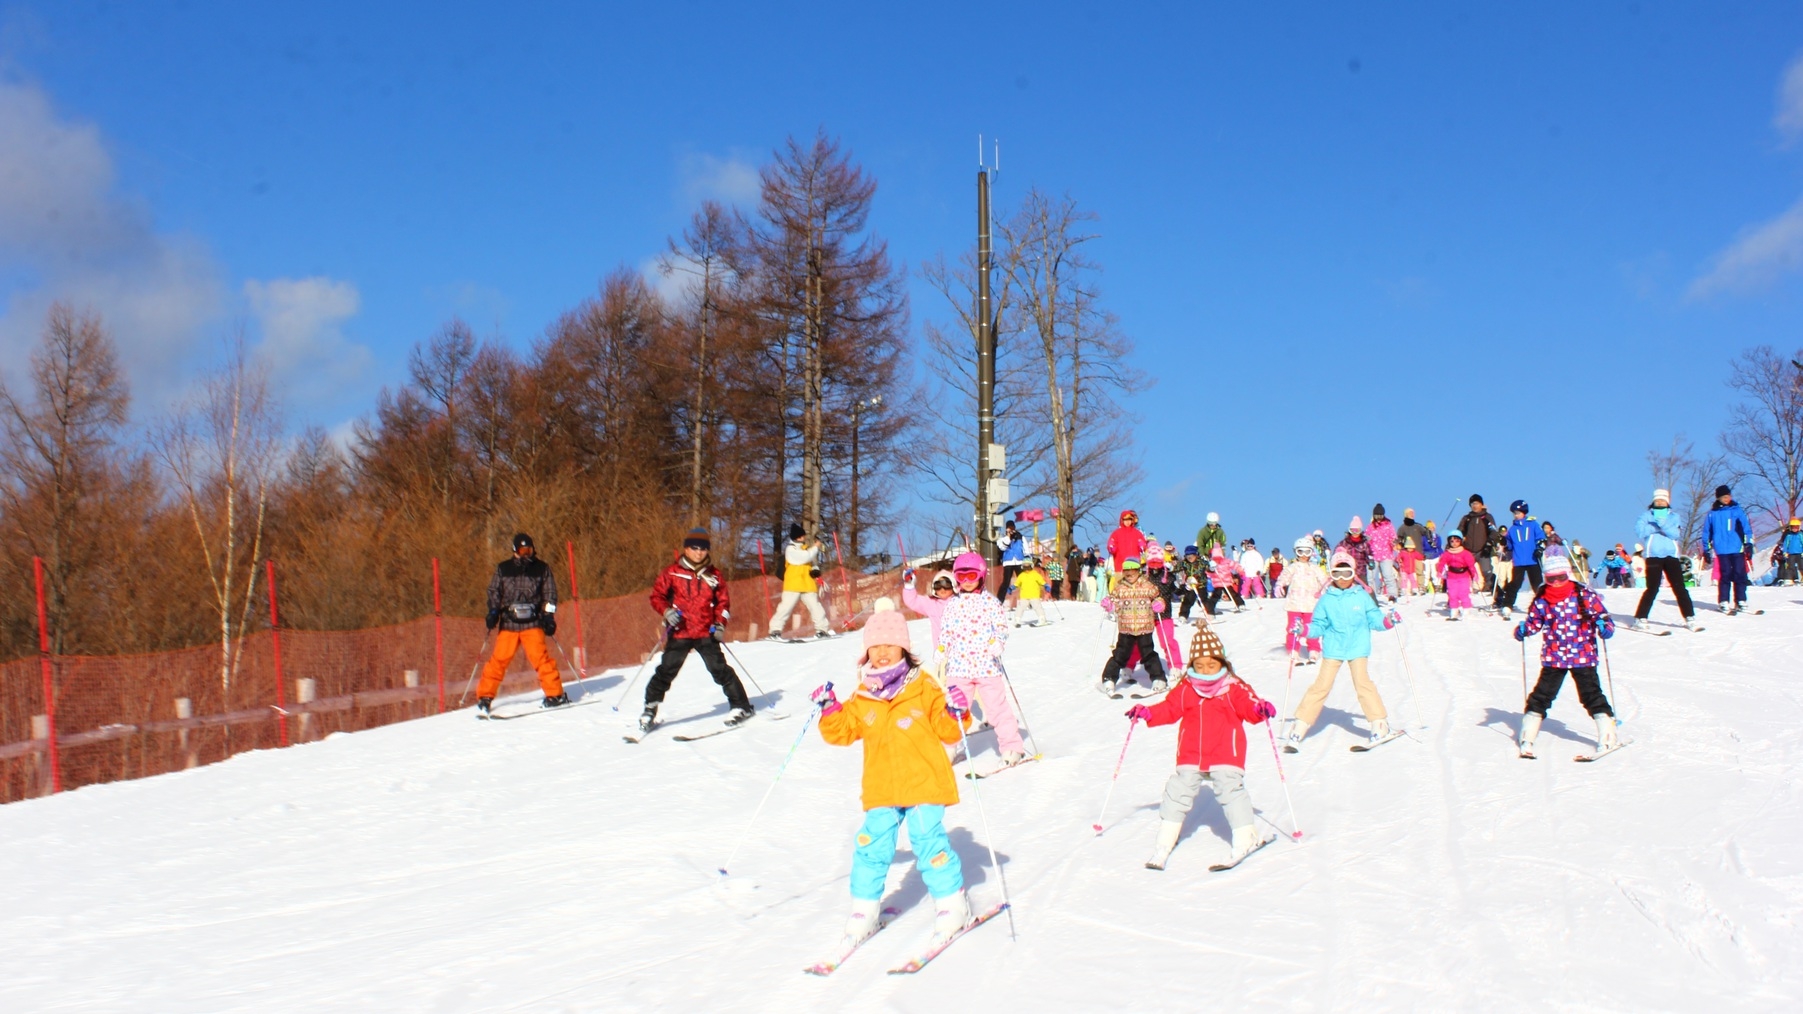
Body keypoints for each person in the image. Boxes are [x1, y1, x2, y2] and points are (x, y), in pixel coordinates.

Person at [813, 599, 975, 958]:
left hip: (923, 782)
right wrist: (830, 709)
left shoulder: (924, 687)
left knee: (927, 840)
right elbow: (842, 731)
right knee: (871, 847)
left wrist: (957, 711)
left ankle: (952, 905)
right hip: (882, 787)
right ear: (867, 651)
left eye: (890, 645)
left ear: (904, 647)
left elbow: (949, 731)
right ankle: (864, 910)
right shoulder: (863, 695)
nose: (883, 653)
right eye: (876, 647)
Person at [1126, 626, 1276, 870]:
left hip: (1225, 751)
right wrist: (1147, 712)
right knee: (1177, 791)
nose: (1206, 671)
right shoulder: (1187, 687)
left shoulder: (1234, 687)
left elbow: (1250, 706)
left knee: (1230, 790)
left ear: (1222, 663)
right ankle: (1164, 843)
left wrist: (1260, 710)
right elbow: (1170, 708)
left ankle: (1245, 838)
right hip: (1191, 752)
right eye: (1200, 665)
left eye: (1212, 665)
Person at [1283, 550, 1399, 751]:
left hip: (1357, 647)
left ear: (1354, 574)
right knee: (1321, 686)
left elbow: (1374, 619)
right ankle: (1299, 726)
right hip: (1334, 649)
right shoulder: (1326, 600)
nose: (1342, 579)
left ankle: (1380, 724)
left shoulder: (1362, 596)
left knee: (1363, 684)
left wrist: (1387, 621)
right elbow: (1318, 624)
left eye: (1346, 574)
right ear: (1331, 575)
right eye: (1337, 574)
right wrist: (1304, 630)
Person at [642, 528, 753, 732]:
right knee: (666, 670)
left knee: (719, 669)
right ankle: (650, 708)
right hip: (680, 630)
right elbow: (656, 596)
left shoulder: (714, 574)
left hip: (705, 631)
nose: (699, 552)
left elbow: (723, 603)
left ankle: (741, 706)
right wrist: (666, 611)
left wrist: (720, 624)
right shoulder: (672, 572)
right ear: (686, 549)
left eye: (703, 548)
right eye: (695, 548)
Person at [1513, 555, 1618, 758]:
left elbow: (1602, 616)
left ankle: (1607, 734)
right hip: (1555, 656)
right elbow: (1535, 621)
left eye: (1561, 577)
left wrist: (1605, 627)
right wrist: (1524, 629)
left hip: (1582, 655)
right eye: (1551, 578)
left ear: (1568, 574)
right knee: (1542, 695)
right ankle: (1527, 735)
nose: (1556, 582)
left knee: (1591, 694)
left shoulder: (1583, 594)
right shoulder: (1542, 598)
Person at [938, 552, 1027, 766]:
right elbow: (946, 631)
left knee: (997, 708)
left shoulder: (990, 602)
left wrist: (998, 641)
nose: (967, 582)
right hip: (959, 668)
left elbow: (1002, 627)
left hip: (987, 667)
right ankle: (948, 748)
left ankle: (1012, 747)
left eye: (971, 576)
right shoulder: (952, 604)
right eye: (961, 577)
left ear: (981, 575)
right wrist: (942, 648)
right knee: (954, 710)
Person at [476, 532, 566, 714]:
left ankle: (554, 694)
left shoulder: (542, 568)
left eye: (529, 550)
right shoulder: (504, 568)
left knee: (541, 659)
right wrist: (493, 611)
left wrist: (548, 616)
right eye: (523, 550)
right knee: (499, 660)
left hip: (532, 622)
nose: (526, 554)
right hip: (509, 622)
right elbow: (494, 591)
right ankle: (485, 696)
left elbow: (550, 594)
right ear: (515, 550)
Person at [1099, 557, 1168, 696]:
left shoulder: (1148, 586)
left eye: (1132, 573)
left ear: (1138, 571)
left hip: (1144, 627)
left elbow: (1158, 598)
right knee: (1120, 654)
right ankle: (1108, 679)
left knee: (1148, 654)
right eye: (1126, 573)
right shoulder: (1120, 588)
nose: (1129, 576)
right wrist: (1109, 604)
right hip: (1126, 627)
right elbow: (1114, 602)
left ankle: (1159, 679)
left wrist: (1159, 604)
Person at [1632, 489, 1699, 631]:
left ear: (1667, 501)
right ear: (1653, 501)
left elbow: (1675, 534)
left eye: (1663, 500)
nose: (1660, 502)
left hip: (1671, 556)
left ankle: (1689, 617)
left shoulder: (1674, 517)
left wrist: (1663, 525)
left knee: (1679, 587)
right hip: (1653, 556)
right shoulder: (1646, 515)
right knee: (1652, 588)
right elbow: (1640, 531)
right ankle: (1640, 618)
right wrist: (1655, 526)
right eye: (1657, 500)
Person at [767, 524, 833, 639]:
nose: (804, 537)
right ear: (799, 537)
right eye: (803, 535)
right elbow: (803, 558)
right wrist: (816, 546)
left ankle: (822, 629)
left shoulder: (806, 548)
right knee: (785, 608)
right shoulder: (791, 549)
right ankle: (775, 630)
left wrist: (815, 570)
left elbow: (810, 563)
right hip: (793, 584)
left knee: (816, 607)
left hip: (807, 583)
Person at [1703, 484, 1753, 614]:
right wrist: (1706, 549)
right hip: (1721, 549)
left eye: (1728, 496)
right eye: (1724, 497)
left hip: (1737, 547)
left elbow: (1746, 528)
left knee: (1739, 574)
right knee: (1725, 574)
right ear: (1718, 498)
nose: (1726, 499)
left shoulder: (1736, 510)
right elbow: (1707, 532)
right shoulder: (1712, 514)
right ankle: (1723, 601)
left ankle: (1740, 600)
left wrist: (1748, 543)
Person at [1277, 536, 1326, 661]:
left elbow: (1325, 581)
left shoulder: (1315, 568)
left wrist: (1326, 590)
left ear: (1311, 552)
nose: (1304, 555)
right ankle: (1293, 649)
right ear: (1295, 552)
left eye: (1307, 552)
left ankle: (1314, 649)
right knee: (1294, 627)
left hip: (1311, 605)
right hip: (1295, 604)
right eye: (1300, 552)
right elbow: (1284, 577)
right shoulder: (1292, 567)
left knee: (1311, 628)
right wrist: (1279, 585)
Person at [1494, 500, 1546, 618]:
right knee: (1515, 584)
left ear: (1524, 512)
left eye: (1518, 512)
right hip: (1518, 561)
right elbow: (1510, 545)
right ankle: (1507, 605)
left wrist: (1540, 548)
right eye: (1514, 513)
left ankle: (1543, 606)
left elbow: (1541, 538)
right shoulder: (1512, 529)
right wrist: (1504, 542)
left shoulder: (1533, 524)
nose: (1516, 515)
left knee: (1537, 584)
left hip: (1532, 559)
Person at [900, 567, 956, 657]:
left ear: (954, 585)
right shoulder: (931, 603)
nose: (942, 589)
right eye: (938, 585)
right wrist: (909, 586)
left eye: (947, 584)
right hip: (941, 653)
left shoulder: (960, 601)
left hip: (962, 651)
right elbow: (912, 601)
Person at [1145, 547, 1185, 670]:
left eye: (1158, 563)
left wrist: (1185, 587)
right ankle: (1129, 667)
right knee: (1140, 642)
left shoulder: (1168, 577)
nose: (1155, 567)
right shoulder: (1144, 578)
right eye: (1152, 563)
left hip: (1164, 614)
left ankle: (1175, 665)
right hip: (1146, 615)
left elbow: (1177, 592)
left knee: (1167, 641)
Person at [1457, 495, 1499, 601]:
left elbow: (1493, 532)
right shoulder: (1467, 518)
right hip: (1468, 550)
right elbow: (1459, 531)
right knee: (1462, 571)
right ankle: (1458, 593)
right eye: (1473, 504)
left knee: (1487, 571)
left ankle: (1492, 591)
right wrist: (1456, 541)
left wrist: (1489, 544)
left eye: (1477, 503)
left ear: (1481, 504)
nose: (1475, 506)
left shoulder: (1486, 517)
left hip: (1483, 549)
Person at [1435, 532, 1483, 620]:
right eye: (1452, 541)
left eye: (1457, 541)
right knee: (1452, 594)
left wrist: (1474, 574)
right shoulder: (1447, 553)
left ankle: (1466, 611)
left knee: (1463, 594)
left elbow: (1471, 565)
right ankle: (1454, 611)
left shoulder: (1465, 553)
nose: (1454, 543)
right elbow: (1442, 562)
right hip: (1452, 576)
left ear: (1460, 541)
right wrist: (1439, 571)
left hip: (1463, 576)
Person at [1107, 509, 1149, 587]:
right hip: (1120, 565)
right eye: (1125, 519)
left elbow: (1143, 544)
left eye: (1129, 519)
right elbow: (1111, 542)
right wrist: (1111, 547)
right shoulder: (1116, 533)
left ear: (1132, 520)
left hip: (1134, 564)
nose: (1127, 522)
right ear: (1122, 520)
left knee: (1134, 586)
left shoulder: (1137, 533)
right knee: (1119, 586)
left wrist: (1142, 546)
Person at [1366, 504, 1400, 601]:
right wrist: (1366, 541)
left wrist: (1394, 542)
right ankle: (1371, 595)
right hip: (1373, 555)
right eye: (1376, 516)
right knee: (1371, 576)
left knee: (1388, 575)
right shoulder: (1371, 527)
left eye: (1380, 516)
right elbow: (1367, 539)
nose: (1379, 518)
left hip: (1386, 554)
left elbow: (1393, 537)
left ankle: (1392, 595)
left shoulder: (1388, 526)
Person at [1206, 546, 1245, 614]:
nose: (1216, 559)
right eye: (1215, 557)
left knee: (1232, 594)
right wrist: (1209, 571)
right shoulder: (1212, 564)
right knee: (1215, 596)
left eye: (1218, 556)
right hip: (1218, 583)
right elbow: (1208, 573)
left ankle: (1240, 604)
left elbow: (1235, 565)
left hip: (1226, 581)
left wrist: (1240, 570)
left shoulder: (1226, 561)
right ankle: (1210, 608)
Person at [1011, 558, 1050, 627]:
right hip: (1024, 596)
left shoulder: (1035, 574)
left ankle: (1042, 619)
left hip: (1034, 595)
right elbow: (1017, 583)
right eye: (1025, 565)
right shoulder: (1021, 575)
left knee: (1037, 607)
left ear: (1031, 566)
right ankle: (1017, 620)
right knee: (1020, 608)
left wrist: (1046, 585)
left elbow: (1041, 581)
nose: (1026, 567)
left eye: (1028, 565)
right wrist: (1012, 588)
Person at [997, 519, 1026, 602]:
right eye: (1009, 528)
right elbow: (1002, 547)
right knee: (1006, 582)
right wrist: (1008, 537)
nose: (1011, 530)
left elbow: (1026, 550)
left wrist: (1028, 561)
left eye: (1012, 528)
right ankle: (999, 601)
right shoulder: (1002, 539)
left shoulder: (1021, 537)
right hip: (1008, 562)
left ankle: (1028, 600)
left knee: (1024, 581)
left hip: (1019, 561)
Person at [1175, 545, 1205, 621]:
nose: (1189, 558)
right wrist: (1171, 568)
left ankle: (1210, 614)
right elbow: (1176, 568)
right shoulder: (1184, 563)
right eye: (1188, 556)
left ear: (1196, 555)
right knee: (1187, 600)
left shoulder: (1201, 562)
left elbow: (1209, 568)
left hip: (1200, 585)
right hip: (1190, 585)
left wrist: (1212, 567)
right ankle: (1183, 616)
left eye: (1191, 556)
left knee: (1203, 600)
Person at [1420, 520, 1443, 593]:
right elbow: (1422, 546)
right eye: (1429, 527)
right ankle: (1425, 586)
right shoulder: (1423, 537)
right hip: (1426, 556)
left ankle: (1437, 585)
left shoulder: (1437, 537)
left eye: (1432, 527)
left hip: (1435, 556)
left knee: (1434, 572)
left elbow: (1439, 547)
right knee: (1426, 572)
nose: (1431, 529)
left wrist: (1442, 554)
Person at [1780, 518, 1803, 585]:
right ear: (1790, 527)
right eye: (1793, 527)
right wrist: (1785, 552)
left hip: (1800, 553)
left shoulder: (1801, 535)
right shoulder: (1788, 535)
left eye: (1796, 527)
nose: (1795, 529)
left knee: (1801, 566)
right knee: (1790, 566)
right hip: (1791, 553)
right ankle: (1789, 579)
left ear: (1799, 527)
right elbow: (1785, 544)